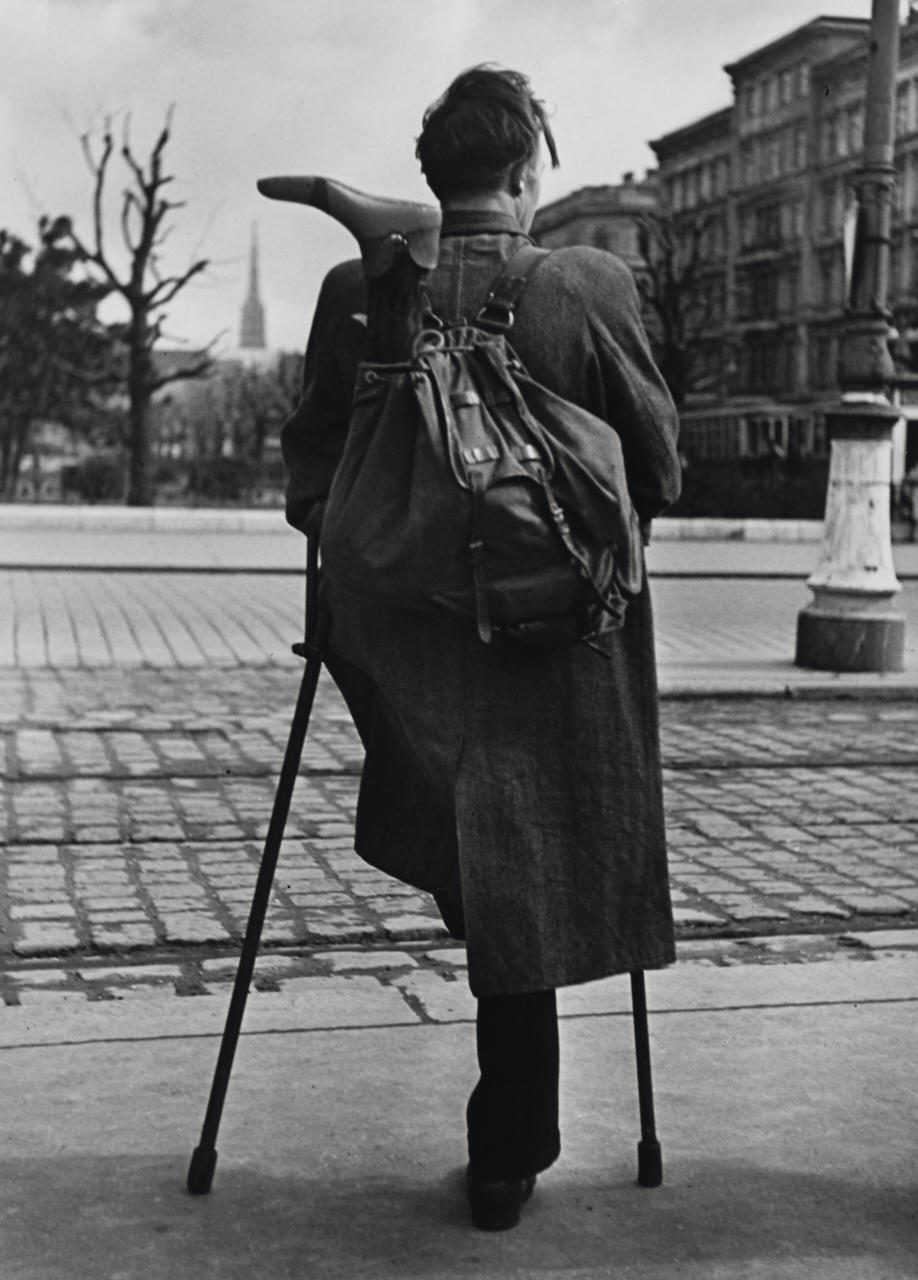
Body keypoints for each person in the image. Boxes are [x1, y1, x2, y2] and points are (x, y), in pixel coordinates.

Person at [280, 65, 682, 1231]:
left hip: (404, 657)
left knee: (479, 845)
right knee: (530, 855)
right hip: (554, 648)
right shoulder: (588, 284)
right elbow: (657, 468)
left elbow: (310, 471)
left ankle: (508, 1091)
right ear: (525, 171)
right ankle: (510, 1146)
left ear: (431, 176)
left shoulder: (353, 289)